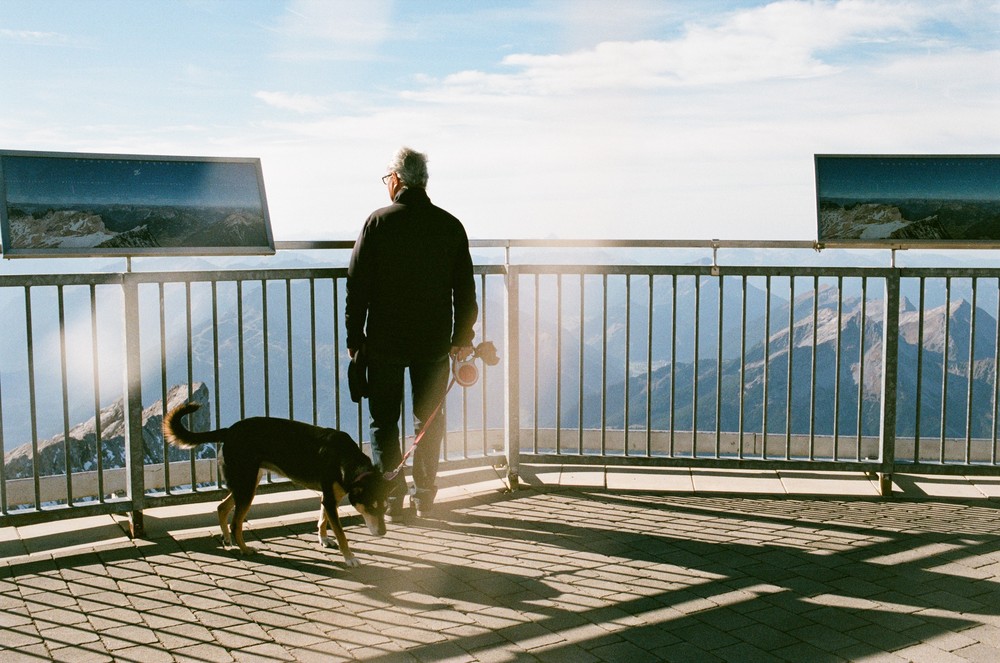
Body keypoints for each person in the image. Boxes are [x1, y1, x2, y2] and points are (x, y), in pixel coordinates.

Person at [345, 146, 478, 519]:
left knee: (384, 421)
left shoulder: (377, 223)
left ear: (398, 180)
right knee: (428, 420)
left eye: (388, 179)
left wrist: (355, 340)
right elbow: (465, 290)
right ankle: (425, 497)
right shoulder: (450, 225)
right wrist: (461, 337)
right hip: (433, 342)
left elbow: (357, 288)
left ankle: (391, 498)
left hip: (385, 342)